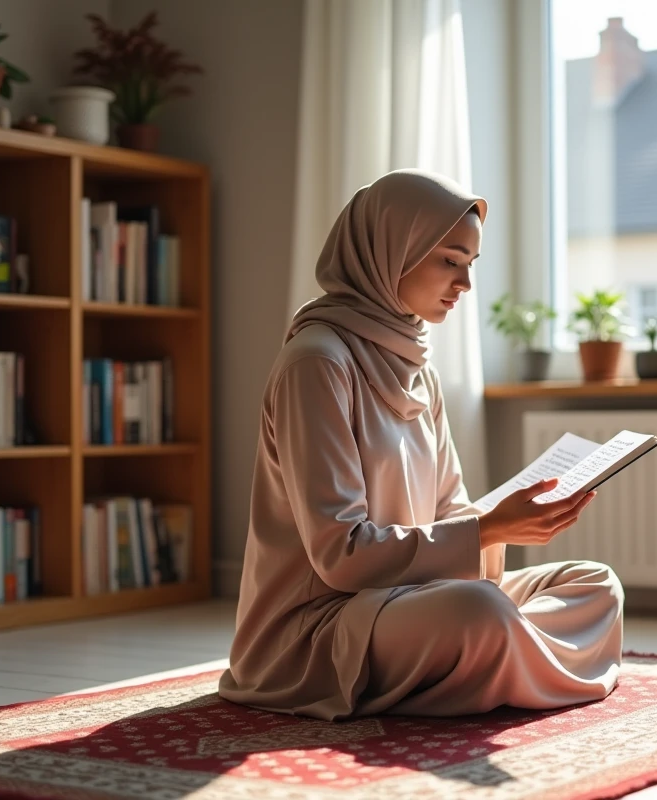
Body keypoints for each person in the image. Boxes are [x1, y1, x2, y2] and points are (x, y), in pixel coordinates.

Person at [218, 169, 624, 721]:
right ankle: (506, 660)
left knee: (596, 583)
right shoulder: (317, 363)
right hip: (323, 626)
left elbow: (450, 509)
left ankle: (496, 664)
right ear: (391, 251)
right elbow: (340, 555)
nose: (466, 284)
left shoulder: (416, 365)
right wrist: (488, 529)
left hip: (414, 597)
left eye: (471, 263)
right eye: (450, 261)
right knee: (479, 611)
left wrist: (505, 520)